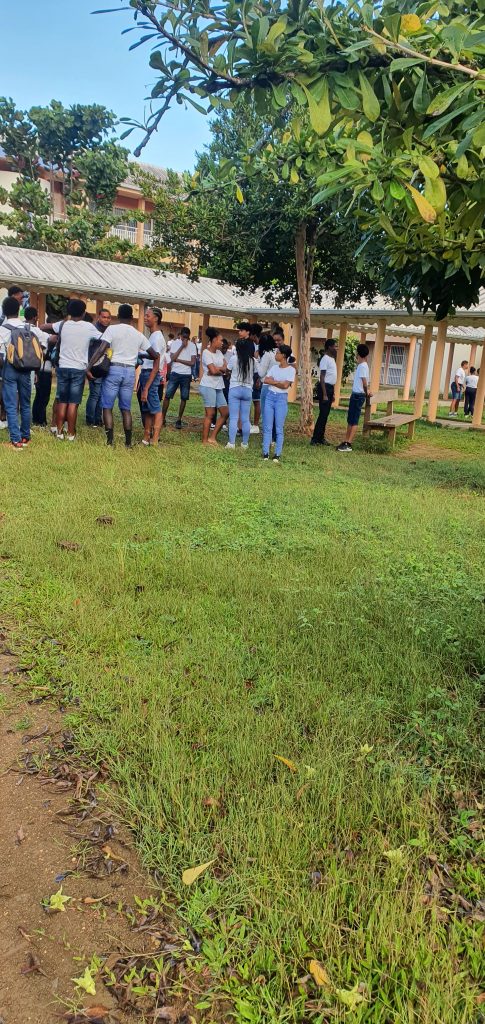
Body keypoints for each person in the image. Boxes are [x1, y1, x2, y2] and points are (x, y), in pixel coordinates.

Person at [89, 303, 153, 447]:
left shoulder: (112, 329)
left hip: (114, 370)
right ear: (132, 317)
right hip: (130, 372)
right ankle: (128, 443)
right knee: (126, 409)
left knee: (107, 406)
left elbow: (101, 349)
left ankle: (110, 442)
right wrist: (139, 355)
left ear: (118, 316)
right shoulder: (138, 334)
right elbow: (153, 353)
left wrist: (89, 367)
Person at [50, 299, 101, 441]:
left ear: (69, 312)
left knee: (62, 401)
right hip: (79, 369)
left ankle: (59, 432)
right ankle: (71, 434)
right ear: (84, 313)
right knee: (73, 403)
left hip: (63, 367)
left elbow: (44, 326)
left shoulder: (63, 324)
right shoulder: (88, 327)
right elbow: (103, 339)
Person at [0, 297, 47, 449]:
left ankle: (15, 440)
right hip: (26, 369)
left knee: (11, 405)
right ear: (18, 309)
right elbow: (46, 341)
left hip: (10, 369)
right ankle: (25, 436)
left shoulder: (2, 329)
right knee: (26, 404)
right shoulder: (29, 327)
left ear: (4, 310)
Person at [262, 344, 296, 464]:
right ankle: (265, 452)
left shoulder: (291, 370)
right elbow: (266, 380)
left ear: (284, 355)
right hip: (270, 397)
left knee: (279, 428)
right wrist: (278, 382)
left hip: (281, 399)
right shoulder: (274, 368)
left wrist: (273, 382)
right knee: (267, 426)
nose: (276, 355)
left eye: (277, 353)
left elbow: (285, 385)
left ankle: (277, 454)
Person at [337, 343, 370, 453]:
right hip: (356, 395)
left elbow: (364, 383)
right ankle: (346, 441)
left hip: (358, 395)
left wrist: (366, 392)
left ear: (358, 354)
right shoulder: (362, 365)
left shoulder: (363, 366)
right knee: (350, 420)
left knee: (354, 420)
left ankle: (349, 443)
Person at [139, 306, 166, 446]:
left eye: (148, 315)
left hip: (151, 375)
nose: (145, 318)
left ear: (156, 318)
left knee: (155, 409)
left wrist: (146, 388)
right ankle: (146, 437)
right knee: (147, 408)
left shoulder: (158, 338)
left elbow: (156, 366)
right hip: (146, 373)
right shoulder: (152, 336)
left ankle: (155, 440)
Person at [162, 326, 197, 428]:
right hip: (175, 373)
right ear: (180, 335)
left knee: (184, 398)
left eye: (187, 337)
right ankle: (162, 418)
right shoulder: (175, 343)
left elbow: (192, 362)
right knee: (167, 396)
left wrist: (179, 360)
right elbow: (172, 358)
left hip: (186, 375)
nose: (185, 339)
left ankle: (179, 419)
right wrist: (182, 346)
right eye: (183, 337)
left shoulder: (192, 346)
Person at [199, 327, 228, 445]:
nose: (222, 342)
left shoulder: (219, 353)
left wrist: (218, 370)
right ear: (214, 340)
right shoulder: (206, 353)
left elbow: (225, 368)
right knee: (210, 414)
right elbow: (213, 370)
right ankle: (205, 440)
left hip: (218, 385)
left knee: (225, 413)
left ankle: (212, 437)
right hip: (208, 385)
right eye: (220, 340)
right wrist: (219, 370)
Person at [225, 338, 255, 450]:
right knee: (245, 419)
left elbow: (227, 370)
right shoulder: (252, 360)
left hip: (234, 388)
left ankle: (231, 443)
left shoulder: (233, 358)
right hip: (247, 390)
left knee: (233, 418)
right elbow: (257, 372)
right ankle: (245, 443)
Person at [26, 307, 53, 427]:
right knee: (43, 396)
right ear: (35, 317)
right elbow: (43, 352)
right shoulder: (41, 333)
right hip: (42, 368)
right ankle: (40, 421)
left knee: (35, 396)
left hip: (24, 366)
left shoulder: (20, 329)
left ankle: (36, 419)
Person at [86, 308, 111, 427]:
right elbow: (89, 350)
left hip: (105, 367)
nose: (106, 319)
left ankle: (98, 419)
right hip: (94, 367)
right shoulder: (93, 330)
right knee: (95, 395)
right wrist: (88, 368)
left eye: (108, 317)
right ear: (98, 317)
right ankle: (90, 420)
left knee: (101, 396)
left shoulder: (109, 331)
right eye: (103, 317)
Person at [310, 337, 338, 446]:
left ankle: (321, 438)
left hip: (330, 388)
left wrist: (333, 393)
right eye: (335, 346)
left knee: (325, 415)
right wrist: (325, 394)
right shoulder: (325, 359)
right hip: (324, 388)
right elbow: (322, 377)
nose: (336, 348)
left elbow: (332, 377)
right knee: (323, 415)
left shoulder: (332, 359)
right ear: (329, 347)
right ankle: (315, 439)